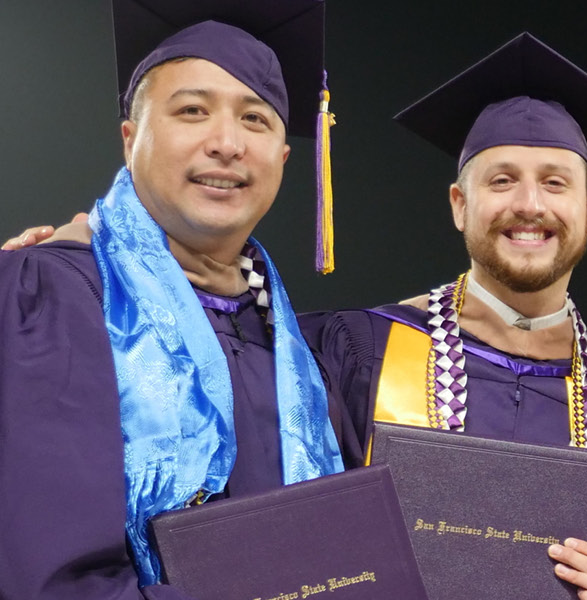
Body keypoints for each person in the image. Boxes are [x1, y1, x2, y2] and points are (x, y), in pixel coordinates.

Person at [297, 33, 587, 600]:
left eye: (555, 181)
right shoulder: (357, 357)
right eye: (502, 180)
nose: (529, 204)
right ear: (459, 204)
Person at [0, 1, 341, 597]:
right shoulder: (55, 294)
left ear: (284, 159)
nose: (228, 143)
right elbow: (45, 578)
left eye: (256, 120)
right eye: (191, 110)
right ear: (130, 138)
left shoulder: (299, 345)